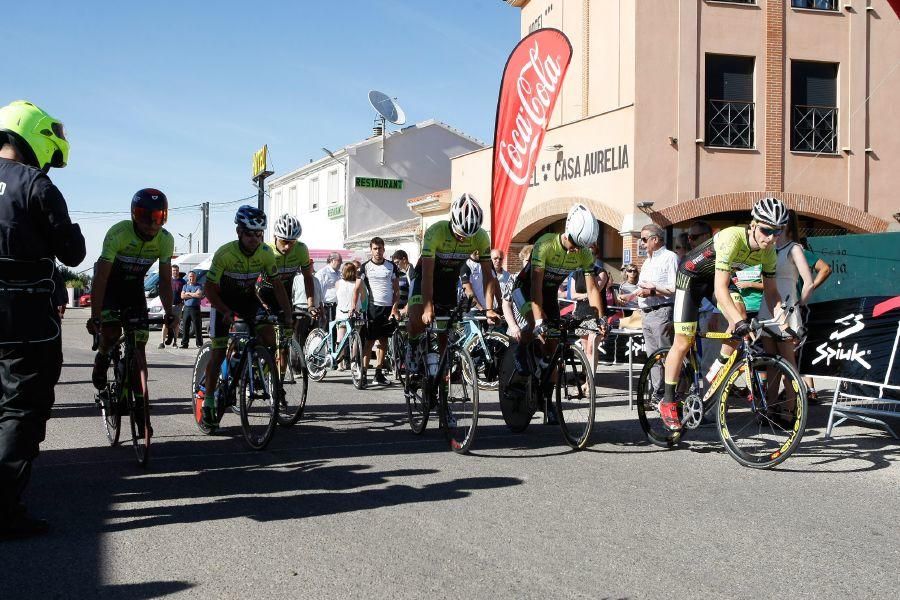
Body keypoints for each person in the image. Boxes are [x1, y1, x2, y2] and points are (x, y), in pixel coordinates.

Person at [0, 99, 85, 537]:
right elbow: (73, 251)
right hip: (22, 321)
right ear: (31, 133)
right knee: (20, 409)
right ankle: (5, 511)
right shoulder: (35, 184)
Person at [659, 197, 788, 430]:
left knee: (739, 313)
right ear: (753, 224)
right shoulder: (732, 237)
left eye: (777, 232)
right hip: (691, 278)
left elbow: (772, 292)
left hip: (718, 279)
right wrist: (738, 322)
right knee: (684, 341)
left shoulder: (769, 252)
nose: (771, 238)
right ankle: (667, 400)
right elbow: (720, 288)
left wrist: (784, 320)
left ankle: (714, 374)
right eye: (766, 230)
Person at [195, 206, 292, 426]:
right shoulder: (225, 253)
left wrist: (287, 314)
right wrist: (225, 311)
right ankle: (209, 400)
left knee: (268, 335)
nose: (254, 239)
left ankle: (254, 368)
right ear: (239, 231)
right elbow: (209, 289)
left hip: (248, 299)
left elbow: (277, 286)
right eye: (249, 234)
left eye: (259, 234)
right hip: (222, 301)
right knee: (218, 352)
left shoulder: (266, 254)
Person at [88, 189, 175, 433]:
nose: (151, 224)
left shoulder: (165, 240)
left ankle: (141, 408)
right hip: (110, 288)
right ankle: (103, 356)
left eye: (159, 217)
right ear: (133, 215)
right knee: (112, 333)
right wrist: (95, 316)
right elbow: (101, 279)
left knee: (139, 348)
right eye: (144, 216)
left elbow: (166, 282)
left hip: (133, 290)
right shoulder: (118, 233)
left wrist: (170, 313)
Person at [510, 204, 607, 420]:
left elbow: (592, 289)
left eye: (580, 247)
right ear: (567, 232)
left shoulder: (583, 252)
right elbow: (535, 287)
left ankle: (547, 402)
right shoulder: (545, 245)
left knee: (553, 351)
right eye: (573, 244)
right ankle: (521, 347)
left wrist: (600, 319)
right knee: (537, 325)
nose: (575, 250)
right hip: (525, 290)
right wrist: (538, 321)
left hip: (549, 293)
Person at [406, 193, 499, 375]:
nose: (463, 239)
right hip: (425, 277)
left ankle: (441, 377)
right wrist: (427, 307)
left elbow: (489, 276)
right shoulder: (435, 232)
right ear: (453, 223)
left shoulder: (480, 237)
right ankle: (412, 344)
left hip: (448, 282)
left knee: (444, 330)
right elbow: (427, 275)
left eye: (468, 236)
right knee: (418, 318)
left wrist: (489, 308)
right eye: (460, 234)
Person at [256, 213, 317, 371]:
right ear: (275, 236)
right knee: (262, 339)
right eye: (284, 241)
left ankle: (278, 387)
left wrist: (311, 304)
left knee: (283, 347)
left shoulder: (301, 250)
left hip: (284, 297)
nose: (288, 247)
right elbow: (251, 281)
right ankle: (256, 371)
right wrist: (260, 302)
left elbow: (308, 278)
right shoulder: (265, 250)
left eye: (292, 242)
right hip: (263, 295)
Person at [634, 223, 679, 393]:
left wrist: (652, 291)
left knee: (666, 355)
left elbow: (675, 288)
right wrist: (631, 295)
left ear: (655, 239)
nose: (641, 243)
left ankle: (669, 394)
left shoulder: (670, 257)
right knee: (652, 357)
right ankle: (657, 393)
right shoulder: (646, 262)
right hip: (646, 314)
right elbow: (642, 287)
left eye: (644, 239)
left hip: (661, 311)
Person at [354, 237, 400, 387]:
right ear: (371, 250)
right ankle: (364, 373)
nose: (378, 251)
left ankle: (378, 373)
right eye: (375, 248)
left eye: (380, 248)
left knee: (384, 341)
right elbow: (356, 288)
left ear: (384, 249)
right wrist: (352, 307)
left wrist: (394, 307)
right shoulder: (365, 267)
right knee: (369, 342)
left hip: (387, 308)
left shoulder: (391, 266)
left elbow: (396, 290)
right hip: (373, 308)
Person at [160, 264, 185, 348]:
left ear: (178, 271)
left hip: (178, 306)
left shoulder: (182, 282)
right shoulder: (167, 281)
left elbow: (184, 293)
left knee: (176, 324)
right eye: (174, 270)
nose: (175, 272)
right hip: (167, 306)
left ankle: (175, 342)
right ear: (171, 271)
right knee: (165, 324)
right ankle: (162, 342)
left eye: (176, 270)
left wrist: (183, 302)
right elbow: (162, 292)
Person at [316, 252, 342, 326]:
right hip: (327, 307)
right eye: (339, 260)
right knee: (327, 328)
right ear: (332, 260)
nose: (341, 263)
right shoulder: (322, 273)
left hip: (337, 306)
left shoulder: (339, 273)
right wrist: (321, 308)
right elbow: (318, 291)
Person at [180, 271, 204, 348]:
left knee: (197, 327)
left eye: (193, 276)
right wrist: (193, 295)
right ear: (188, 277)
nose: (191, 278)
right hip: (186, 308)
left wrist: (188, 294)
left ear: (195, 277)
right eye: (190, 276)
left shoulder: (199, 286)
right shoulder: (185, 286)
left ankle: (199, 344)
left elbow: (199, 295)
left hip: (195, 308)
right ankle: (184, 343)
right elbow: (182, 296)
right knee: (185, 326)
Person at [392, 249, 412, 314]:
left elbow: (413, 292)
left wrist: (406, 307)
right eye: (395, 263)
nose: (396, 265)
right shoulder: (408, 271)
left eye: (397, 262)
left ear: (404, 259)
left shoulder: (411, 271)